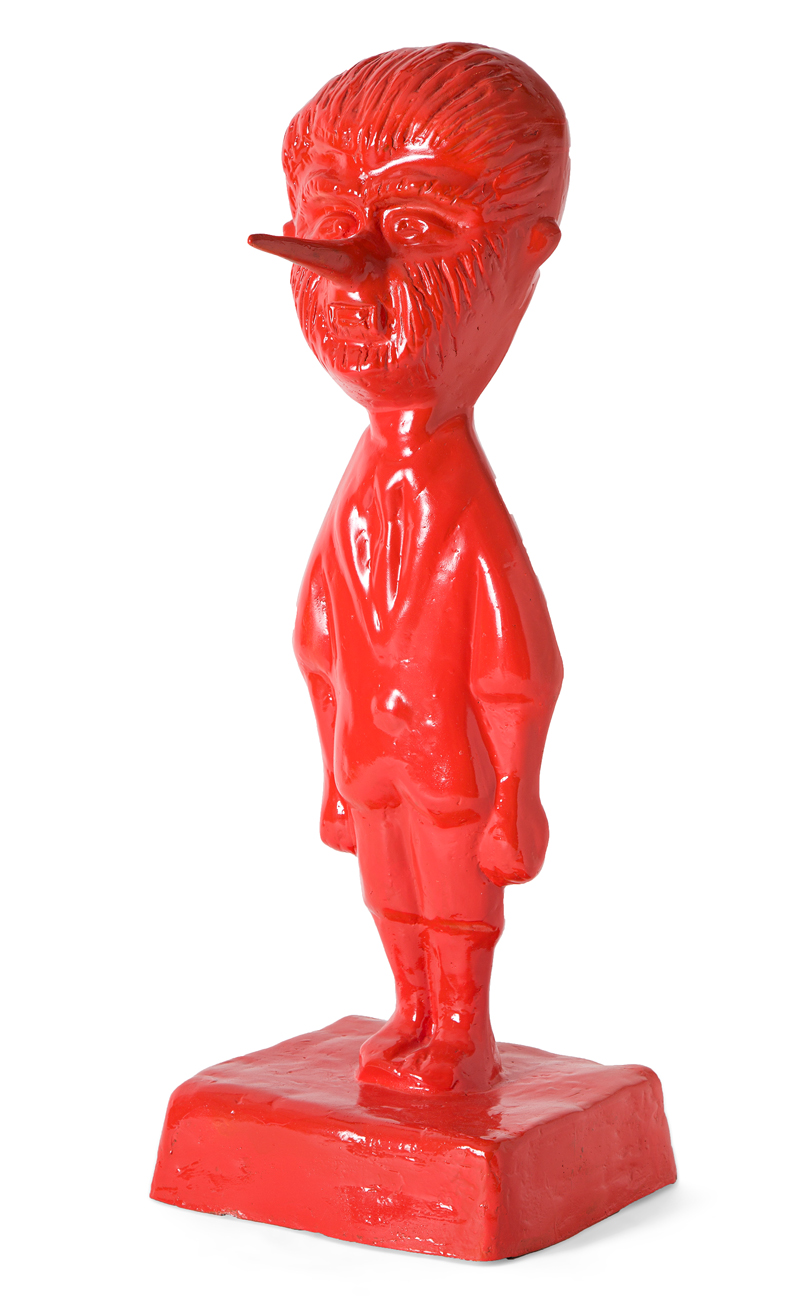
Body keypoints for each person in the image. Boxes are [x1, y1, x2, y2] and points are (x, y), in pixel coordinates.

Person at [249, 43, 570, 1092]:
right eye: (329, 217)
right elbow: (316, 637)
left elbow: (516, 666)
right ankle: (411, 1011)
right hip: (371, 756)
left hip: (448, 768)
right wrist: (331, 773)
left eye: (421, 227)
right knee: (388, 886)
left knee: (454, 892)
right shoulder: (359, 485)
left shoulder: (463, 506)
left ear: (523, 257)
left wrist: (515, 794)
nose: (353, 268)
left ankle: (460, 1027)